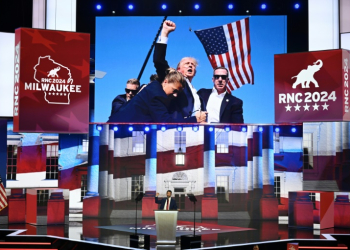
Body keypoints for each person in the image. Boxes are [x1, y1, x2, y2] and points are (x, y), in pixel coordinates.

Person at [107, 68, 207, 123]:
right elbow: (166, 122)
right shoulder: (156, 96)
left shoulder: (155, 87)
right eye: (174, 90)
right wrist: (195, 119)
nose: (175, 95)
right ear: (165, 82)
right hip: (116, 136)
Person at [154, 20, 204, 119]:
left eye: (193, 65)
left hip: (196, 130)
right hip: (178, 127)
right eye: (187, 64)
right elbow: (158, 60)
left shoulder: (196, 92)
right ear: (178, 69)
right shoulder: (173, 79)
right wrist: (165, 33)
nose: (190, 66)